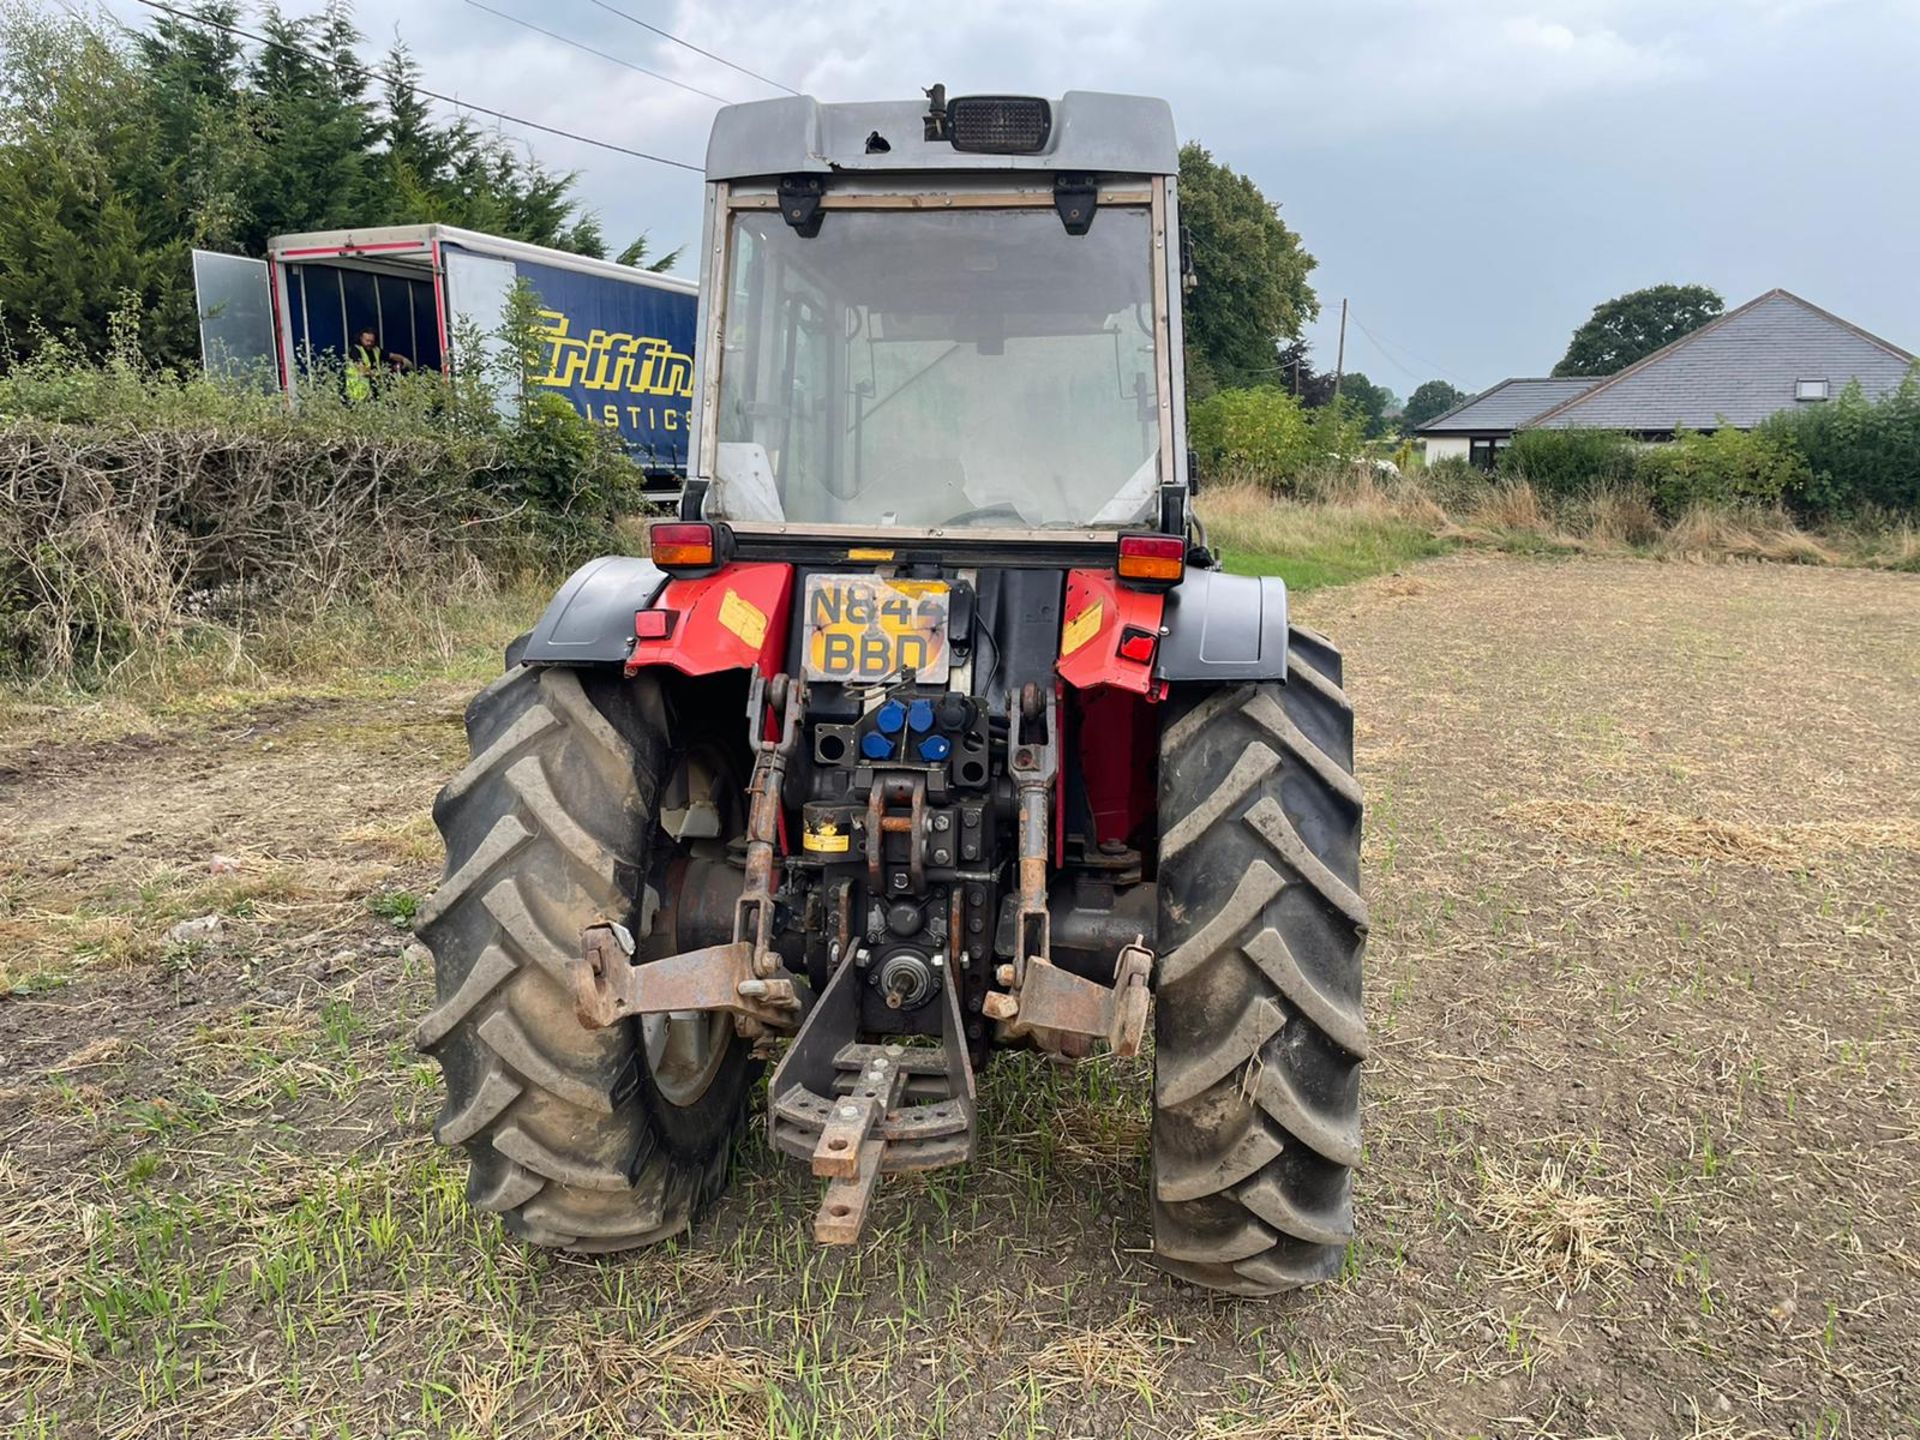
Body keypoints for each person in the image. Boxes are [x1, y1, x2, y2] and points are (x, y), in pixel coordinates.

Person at [347, 329, 411, 400]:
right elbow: (362, 369)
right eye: (367, 340)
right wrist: (380, 373)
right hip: (358, 390)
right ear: (361, 338)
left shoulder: (376, 350)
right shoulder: (355, 350)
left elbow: (391, 356)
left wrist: (404, 360)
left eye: (372, 341)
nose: (369, 343)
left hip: (374, 389)